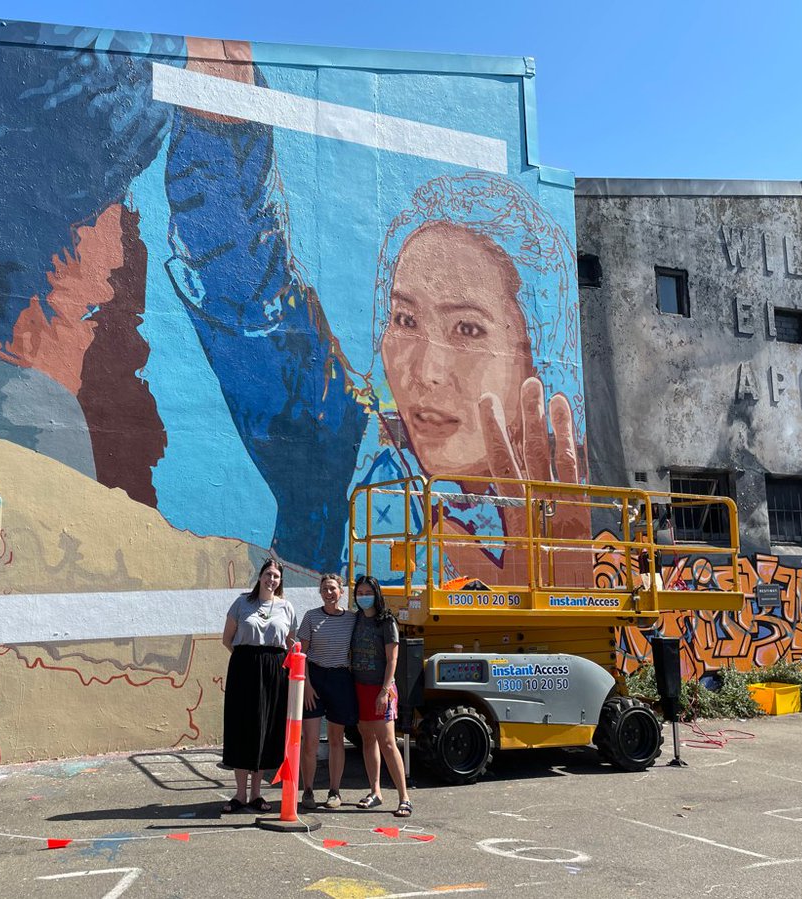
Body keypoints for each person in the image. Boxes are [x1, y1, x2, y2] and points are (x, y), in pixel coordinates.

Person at [164, 39, 589, 588]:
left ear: (536, 355)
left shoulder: (565, 510)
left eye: (467, 329)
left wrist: (560, 601)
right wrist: (218, 128)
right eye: (405, 320)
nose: (426, 370)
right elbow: (245, 291)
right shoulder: (340, 447)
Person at [220, 559, 296, 813]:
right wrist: (248, 659)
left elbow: (291, 643)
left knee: (265, 728)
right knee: (242, 727)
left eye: (276, 576)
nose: (271, 579)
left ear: (280, 580)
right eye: (267, 574)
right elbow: (227, 639)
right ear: (260, 576)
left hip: (274, 671)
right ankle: (240, 794)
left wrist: (272, 664)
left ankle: (256, 794)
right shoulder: (242, 603)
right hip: (244, 668)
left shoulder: (286, 607)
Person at [293, 573, 358, 810]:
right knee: (309, 741)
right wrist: (307, 685)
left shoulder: (351, 619)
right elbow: (301, 655)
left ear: (341, 592)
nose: (328, 593)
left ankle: (334, 791)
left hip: (340, 680)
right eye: (324, 589)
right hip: (314, 679)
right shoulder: (311, 617)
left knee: (336, 740)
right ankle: (308, 790)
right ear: (320, 592)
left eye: (332, 589)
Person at [350, 575, 411, 818]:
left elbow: (392, 659)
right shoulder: (355, 620)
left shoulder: (387, 622)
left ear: (376, 594)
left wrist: (384, 691)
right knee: (367, 739)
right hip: (359, 687)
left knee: (387, 742)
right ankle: (375, 791)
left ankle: (404, 797)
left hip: (380, 689)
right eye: (360, 592)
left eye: (368, 592)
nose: (363, 596)